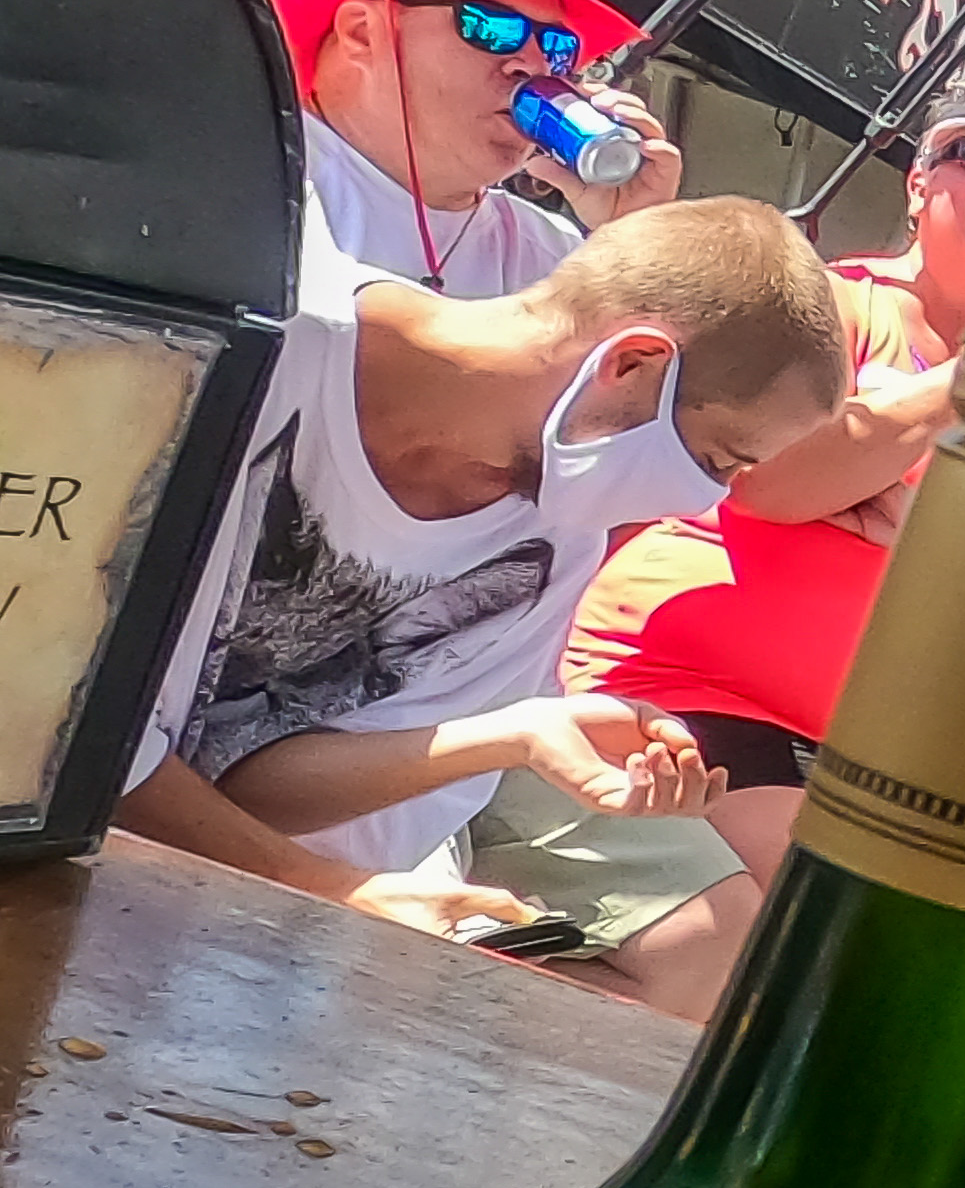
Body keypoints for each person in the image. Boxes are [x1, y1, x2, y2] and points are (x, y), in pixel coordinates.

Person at [119, 205, 848, 998]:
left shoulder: (556, 534)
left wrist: (513, 734)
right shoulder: (262, 344)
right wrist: (325, 888)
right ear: (632, 364)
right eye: (717, 458)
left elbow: (245, 774)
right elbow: (62, 720)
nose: (699, 498)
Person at [564, 74, 965, 932]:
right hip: (690, 695)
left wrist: (887, 472)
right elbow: (777, 481)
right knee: (822, 935)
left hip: (859, 754)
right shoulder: (826, 305)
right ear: (920, 183)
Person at [262, 0, 686, 294]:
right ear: (362, 32)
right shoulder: (248, 178)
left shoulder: (559, 260)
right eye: (491, 26)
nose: (534, 65)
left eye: (558, 48)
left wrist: (632, 243)